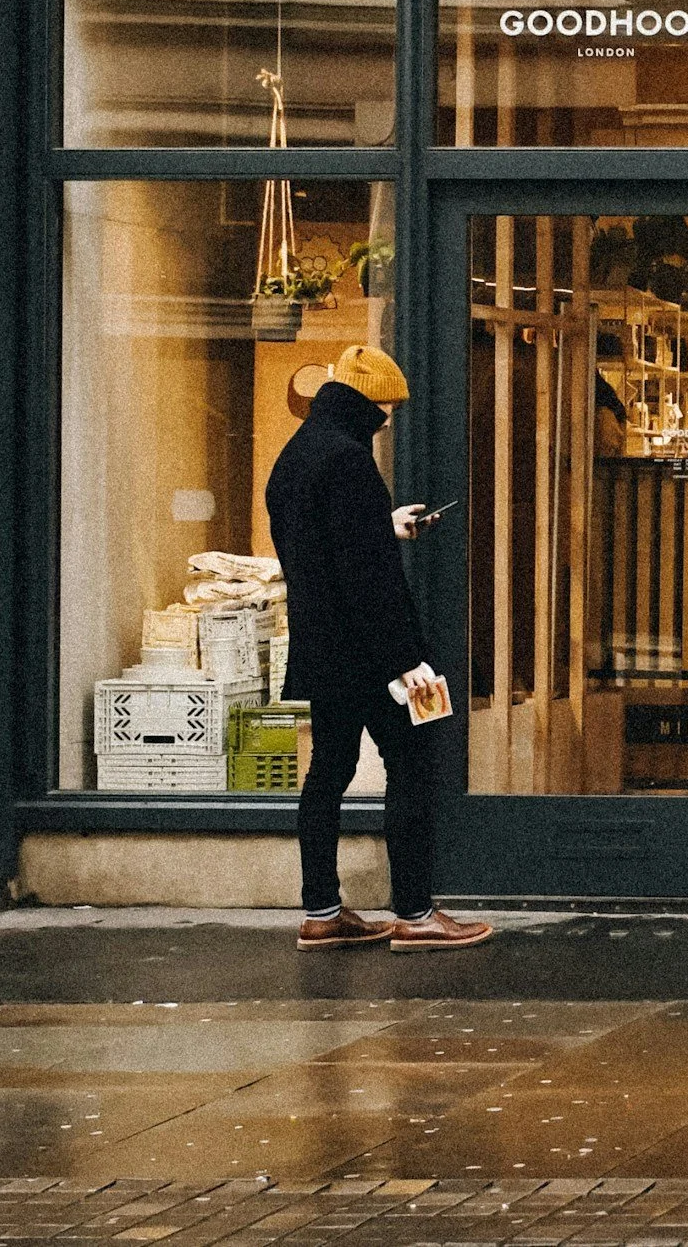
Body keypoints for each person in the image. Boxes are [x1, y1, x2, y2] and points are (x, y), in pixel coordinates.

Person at [265, 344, 491, 952]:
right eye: (385, 407)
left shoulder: (296, 455)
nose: (388, 419)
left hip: (320, 647)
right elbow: (368, 580)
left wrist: (383, 524)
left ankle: (322, 910)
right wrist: (407, 660)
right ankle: (415, 914)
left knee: (327, 773)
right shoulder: (349, 462)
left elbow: (320, 546)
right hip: (368, 654)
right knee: (413, 766)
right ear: (365, 402)